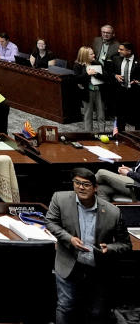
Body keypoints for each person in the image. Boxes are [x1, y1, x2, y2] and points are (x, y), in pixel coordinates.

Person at [45, 168, 130, 324]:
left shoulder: (113, 212)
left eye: (86, 184)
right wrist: (69, 239)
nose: (81, 188)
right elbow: (50, 222)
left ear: (95, 188)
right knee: (65, 306)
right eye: (77, 183)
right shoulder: (60, 199)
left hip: (97, 268)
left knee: (97, 311)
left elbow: (125, 244)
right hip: (68, 263)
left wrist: (109, 248)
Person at [108, 42, 139, 132]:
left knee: (137, 117)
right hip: (120, 92)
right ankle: (121, 136)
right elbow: (109, 72)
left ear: (129, 51)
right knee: (120, 117)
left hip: (135, 93)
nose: (118, 51)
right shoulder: (116, 59)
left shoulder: (138, 61)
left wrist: (138, 82)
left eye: (121, 49)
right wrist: (115, 76)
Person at [72, 46, 105, 132]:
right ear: (85, 55)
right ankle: (88, 134)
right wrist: (87, 74)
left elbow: (105, 76)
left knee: (101, 114)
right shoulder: (77, 65)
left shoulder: (97, 63)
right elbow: (76, 79)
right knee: (88, 114)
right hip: (86, 93)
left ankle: (102, 133)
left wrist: (96, 74)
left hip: (98, 91)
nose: (94, 55)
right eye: (91, 54)